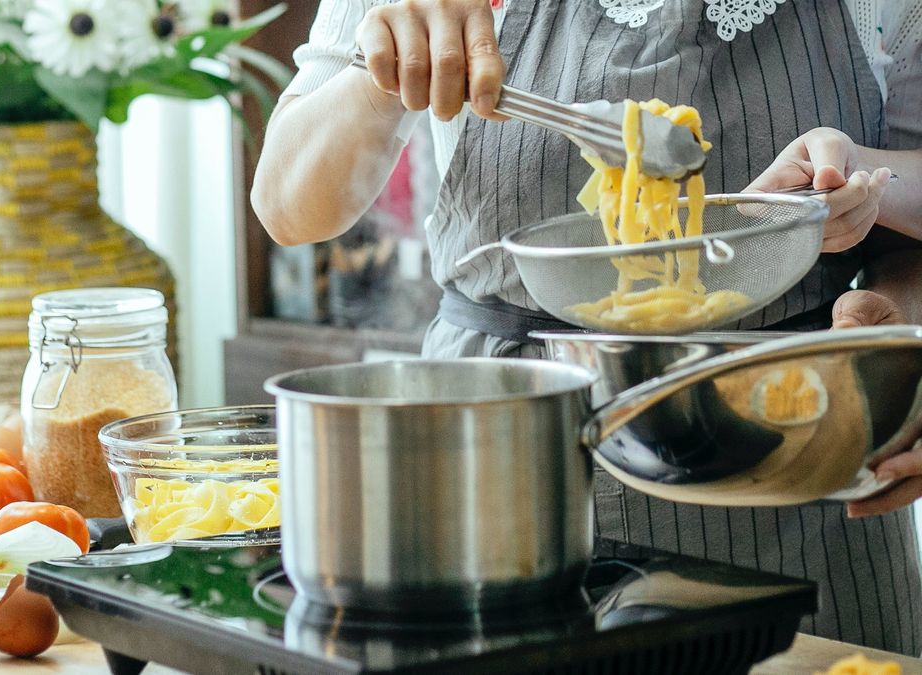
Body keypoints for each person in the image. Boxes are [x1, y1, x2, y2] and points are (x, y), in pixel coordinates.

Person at [252, 0, 922, 654]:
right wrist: (382, 77)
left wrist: (902, 344)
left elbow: (906, 236)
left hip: (795, 452)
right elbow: (286, 206)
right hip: (495, 459)